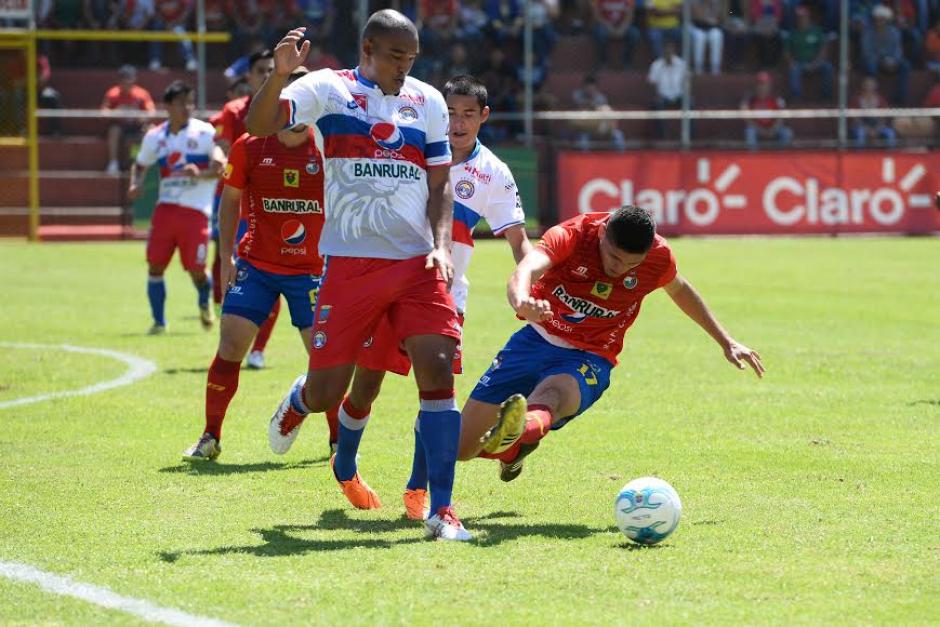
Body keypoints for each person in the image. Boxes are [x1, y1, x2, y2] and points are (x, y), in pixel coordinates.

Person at [264, 75, 531, 522]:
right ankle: (344, 464)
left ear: (484, 117)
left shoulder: (494, 174)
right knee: (365, 386)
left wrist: (528, 279)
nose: (458, 124)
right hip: (381, 277)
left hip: (443, 291)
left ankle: (418, 493)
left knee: (436, 389)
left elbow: (520, 242)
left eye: (469, 114)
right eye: (451, 114)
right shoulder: (411, 148)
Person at [247, 11, 468, 541]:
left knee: (437, 374)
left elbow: (440, 185)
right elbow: (258, 126)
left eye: (411, 58)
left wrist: (440, 246)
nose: (404, 68)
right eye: (395, 56)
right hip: (349, 264)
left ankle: (442, 510)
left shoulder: (428, 101)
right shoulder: (328, 88)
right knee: (328, 392)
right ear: (368, 47)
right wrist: (279, 76)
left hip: (418, 265)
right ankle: (300, 401)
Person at [456, 206, 764, 484]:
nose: (620, 269)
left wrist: (726, 340)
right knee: (461, 449)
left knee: (550, 395)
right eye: (615, 257)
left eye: (632, 263)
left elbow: (680, 290)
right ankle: (513, 451)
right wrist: (522, 300)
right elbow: (525, 270)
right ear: (603, 234)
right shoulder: (574, 234)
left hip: (592, 355)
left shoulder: (658, 257)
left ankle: (523, 432)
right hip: (535, 339)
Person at [183, 68, 326, 461]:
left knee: (326, 360)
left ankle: (338, 445)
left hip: (312, 270)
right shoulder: (250, 145)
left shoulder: (329, 149)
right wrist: (227, 255)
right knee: (230, 345)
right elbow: (229, 201)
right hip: (257, 264)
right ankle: (210, 436)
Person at [129, 81, 224, 335]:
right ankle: (159, 322)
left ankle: (204, 299)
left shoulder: (205, 133)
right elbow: (140, 165)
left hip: (196, 212)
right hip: (166, 209)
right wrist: (135, 183)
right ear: (168, 106)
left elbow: (220, 168)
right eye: (182, 102)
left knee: (196, 270)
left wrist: (202, 172)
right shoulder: (155, 137)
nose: (187, 107)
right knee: (155, 266)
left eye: (190, 101)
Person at [212, 49, 278, 370]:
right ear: (249, 77)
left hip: (271, 210)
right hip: (235, 201)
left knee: (276, 272)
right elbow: (219, 143)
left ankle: (258, 349)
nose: (267, 75)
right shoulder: (234, 111)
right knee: (227, 265)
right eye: (261, 70)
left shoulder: (290, 110)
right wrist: (219, 158)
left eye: (271, 69)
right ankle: (233, 334)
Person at [101, 65, 156, 174]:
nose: (127, 84)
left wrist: (143, 117)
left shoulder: (142, 94)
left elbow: (152, 112)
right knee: (113, 131)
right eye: (124, 80)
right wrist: (116, 112)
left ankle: (137, 163)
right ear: (119, 81)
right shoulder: (112, 94)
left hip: (136, 126)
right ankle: (113, 163)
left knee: (147, 132)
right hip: (120, 126)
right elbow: (103, 112)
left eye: (129, 80)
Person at [861, 4, 910, 105]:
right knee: (870, 66)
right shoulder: (867, 33)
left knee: (905, 65)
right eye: (878, 19)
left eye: (882, 19)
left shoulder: (894, 32)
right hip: (875, 62)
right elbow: (867, 53)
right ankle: (875, 96)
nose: (880, 21)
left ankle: (901, 97)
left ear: (887, 20)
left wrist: (893, 60)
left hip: (891, 62)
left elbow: (898, 50)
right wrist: (881, 60)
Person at [785, 5, 834, 101]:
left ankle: (826, 96)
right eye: (799, 17)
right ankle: (796, 97)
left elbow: (823, 49)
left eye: (804, 17)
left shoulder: (816, 31)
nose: (802, 19)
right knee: (793, 70)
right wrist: (792, 62)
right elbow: (786, 52)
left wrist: (816, 63)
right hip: (799, 63)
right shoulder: (792, 33)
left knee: (828, 67)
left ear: (808, 17)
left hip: (816, 62)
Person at [570, 74, 626, 150]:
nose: (590, 89)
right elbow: (580, 107)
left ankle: (620, 157)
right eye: (588, 87)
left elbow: (605, 111)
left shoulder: (601, 97)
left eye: (592, 87)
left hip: (599, 125)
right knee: (583, 137)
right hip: (585, 126)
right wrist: (592, 105)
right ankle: (584, 158)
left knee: (618, 135)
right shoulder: (577, 94)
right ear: (584, 87)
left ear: (596, 87)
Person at [741, 71, 793, 149]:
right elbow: (747, 118)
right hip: (757, 128)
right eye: (760, 84)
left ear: (769, 86)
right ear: (756, 86)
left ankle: (781, 156)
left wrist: (773, 129)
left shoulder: (776, 99)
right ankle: (753, 157)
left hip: (774, 128)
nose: (762, 87)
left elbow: (781, 117)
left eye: (765, 84)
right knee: (749, 132)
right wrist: (761, 130)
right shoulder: (750, 100)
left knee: (787, 132)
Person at [648, 39, 687, 140]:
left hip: (679, 95)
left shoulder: (682, 64)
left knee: (689, 103)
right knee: (658, 104)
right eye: (666, 50)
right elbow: (652, 84)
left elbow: (687, 83)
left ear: (674, 51)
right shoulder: (656, 65)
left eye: (671, 50)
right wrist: (657, 94)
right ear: (663, 51)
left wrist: (686, 94)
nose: (669, 53)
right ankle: (662, 137)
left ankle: (688, 136)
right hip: (662, 96)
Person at [591, 0, 640, 70]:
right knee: (601, 33)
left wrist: (622, 28)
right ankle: (603, 62)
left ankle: (627, 63)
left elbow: (630, 15)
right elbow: (597, 15)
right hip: (605, 25)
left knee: (634, 34)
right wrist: (608, 26)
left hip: (622, 25)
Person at [852, 76, 897, 148]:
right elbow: (856, 119)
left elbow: (883, 118)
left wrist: (877, 129)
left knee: (890, 133)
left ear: (875, 87)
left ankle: (891, 155)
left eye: (871, 86)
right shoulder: (856, 100)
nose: (869, 88)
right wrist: (867, 129)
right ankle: (859, 155)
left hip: (878, 126)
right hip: (861, 126)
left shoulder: (881, 100)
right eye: (867, 85)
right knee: (860, 133)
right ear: (863, 86)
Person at [690, 0, 724, 75]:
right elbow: (696, 16)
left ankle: (715, 68)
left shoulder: (715, 2)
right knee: (700, 37)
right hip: (696, 27)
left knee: (717, 35)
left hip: (710, 28)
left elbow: (719, 17)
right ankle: (698, 68)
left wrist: (711, 7)